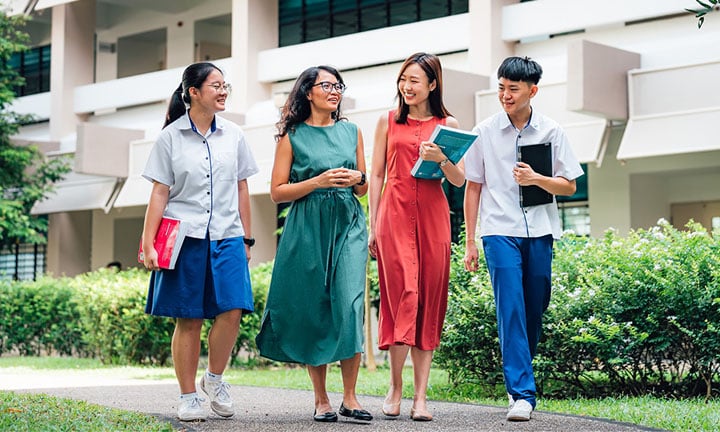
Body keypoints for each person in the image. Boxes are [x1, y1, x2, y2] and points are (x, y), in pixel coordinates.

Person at [463, 56, 584, 422]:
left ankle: (521, 373)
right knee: (511, 308)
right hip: (499, 230)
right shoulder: (483, 131)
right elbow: (472, 187)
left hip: (541, 230)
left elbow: (569, 184)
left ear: (532, 90)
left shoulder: (551, 131)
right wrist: (470, 239)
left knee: (534, 305)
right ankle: (522, 393)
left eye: (513, 89)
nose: (505, 95)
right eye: (501, 88)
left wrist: (536, 180)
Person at [140, 62, 259, 422]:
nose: (223, 92)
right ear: (193, 92)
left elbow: (242, 187)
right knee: (188, 319)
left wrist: (247, 237)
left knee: (233, 309)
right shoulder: (170, 137)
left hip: (227, 235)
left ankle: (215, 378)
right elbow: (160, 193)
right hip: (185, 238)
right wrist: (148, 243)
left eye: (226, 86)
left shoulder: (235, 135)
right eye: (216, 86)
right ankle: (188, 395)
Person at [255, 65, 372, 423]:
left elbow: (364, 186)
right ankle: (322, 399)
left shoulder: (352, 131)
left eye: (338, 85)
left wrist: (359, 177)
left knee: (350, 303)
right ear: (308, 92)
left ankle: (350, 397)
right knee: (314, 306)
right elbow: (277, 192)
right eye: (326, 85)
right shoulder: (292, 136)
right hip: (307, 226)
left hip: (348, 222)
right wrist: (318, 181)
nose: (334, 91)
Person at [368, 52, 465, 422]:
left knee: (428, 301)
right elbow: (376, 174)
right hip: (393, 215)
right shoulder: (387, 121)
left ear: (432, 85)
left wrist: (442, 158)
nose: (406, 87)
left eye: (414, 80)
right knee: (401, 298)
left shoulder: (448, 123)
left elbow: (459, 179)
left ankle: (420, 397)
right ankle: (395, 387)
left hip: (433, 217)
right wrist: (374, 221)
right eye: (403, 79)